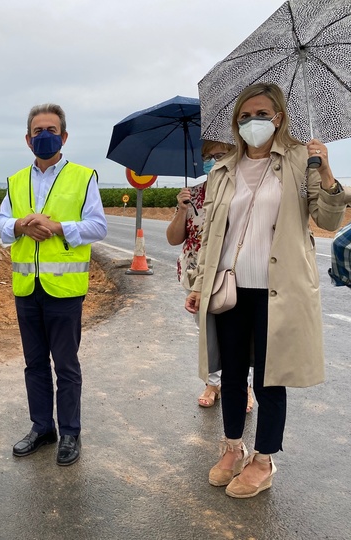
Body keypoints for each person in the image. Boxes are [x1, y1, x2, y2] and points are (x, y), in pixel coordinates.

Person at [185, 83, 346, 498]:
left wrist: (326, 172)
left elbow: (328, 222)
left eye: (260, 114)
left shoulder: (300, 160)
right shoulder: (224, 169)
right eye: (243, 116)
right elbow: (210, 235)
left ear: (278, 117)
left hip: (280, 290)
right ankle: (232, 448)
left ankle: (263, 460)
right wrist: (200, 285)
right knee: (233, 374)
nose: (251, 123)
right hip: (231, 287)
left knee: (270, 381)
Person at [0, 103, 107, 466]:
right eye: (38, 131)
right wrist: (20, 225)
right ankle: (42, 427)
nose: (45, 136)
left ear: (65, 136)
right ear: (28, 139)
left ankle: (70, 432)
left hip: (65, 291)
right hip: (26, 288)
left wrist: (58, 227)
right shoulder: (15, 181)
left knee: (66, 365)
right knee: (34, 364)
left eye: (52, 130)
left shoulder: (83, 176)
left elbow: (98, 226)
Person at [166, 141, 254, 411]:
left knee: (241, 331)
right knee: (206, 331)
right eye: (207, 157)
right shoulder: (193, 194)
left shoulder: (244, 191)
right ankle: (212, 382)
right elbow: (173, 239)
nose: (213, 160)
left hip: (235, 272)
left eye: (219, 155)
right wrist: (182, 208)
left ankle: (244, 386)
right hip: (197, 274)